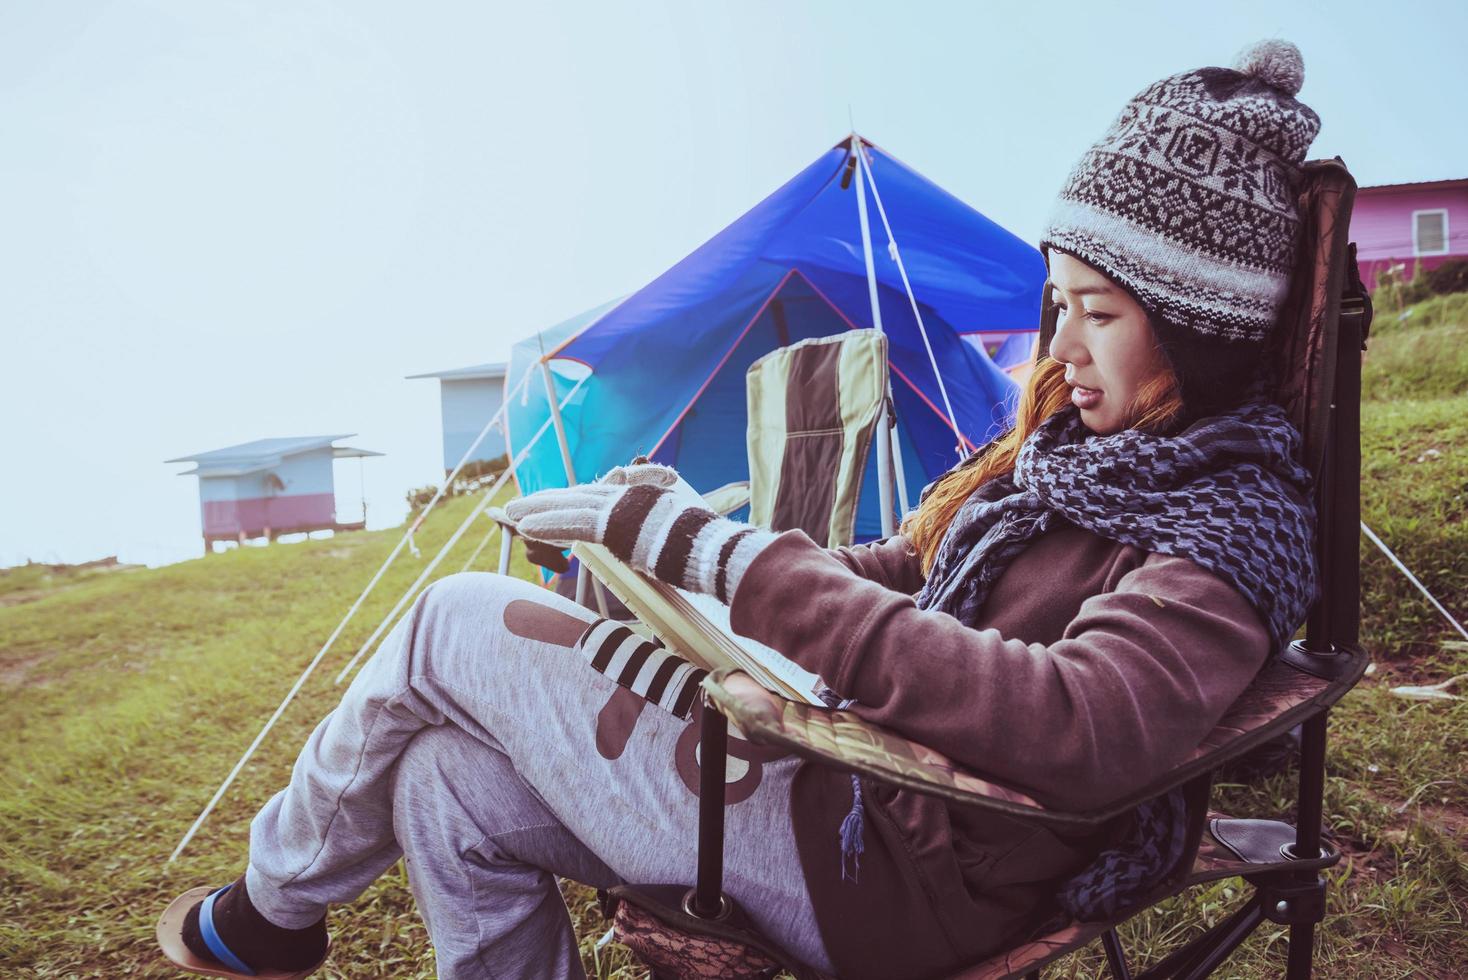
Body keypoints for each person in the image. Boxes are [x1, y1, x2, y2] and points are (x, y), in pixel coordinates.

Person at [158, 39, 1322, 980]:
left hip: (888, 870)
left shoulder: (1219, 530)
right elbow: (915, 574)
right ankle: (281, 911)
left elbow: (1078, 725)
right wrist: (714, 556)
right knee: (443, 786)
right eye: (1054, 304)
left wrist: (738, 563)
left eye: (1100, 314)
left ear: (1200, 327)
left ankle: (269, 911)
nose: (1058, 352)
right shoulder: (1072, 464)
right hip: (836, 798)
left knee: (452, 618)